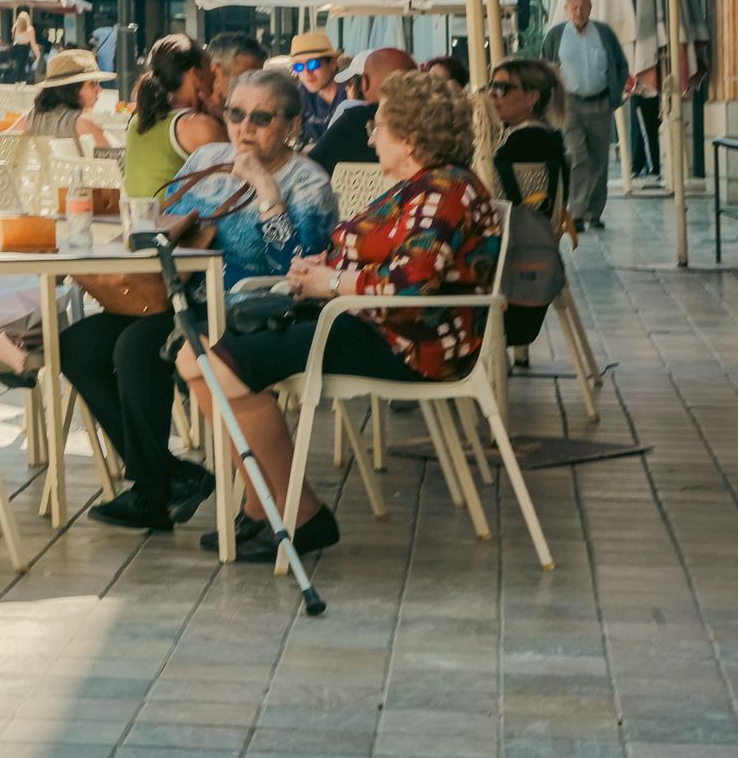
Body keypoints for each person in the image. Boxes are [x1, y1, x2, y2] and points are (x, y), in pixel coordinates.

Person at [175, 72, 502, 560]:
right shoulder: (424, 186)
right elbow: (387, 262)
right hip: (374, 324)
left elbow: (409, 286)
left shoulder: (442, 193)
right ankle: (265, 507)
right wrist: (326, 267)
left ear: (410, 139)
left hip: (408, 340)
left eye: (380, 127)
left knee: (212, 364)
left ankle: (299, 514)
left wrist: (329, 282)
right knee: (193, 358)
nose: (371, 136)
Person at [62, 69, 338, 532]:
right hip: (180, 295)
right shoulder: (209, 157)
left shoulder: (307, 183)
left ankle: (153, 490)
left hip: (249, 308)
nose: (244, 128)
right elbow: (167, 218)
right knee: (77, 346)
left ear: (291, 125)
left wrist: (267, 192)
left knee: (135, 348)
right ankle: (171, 475)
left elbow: (299, 268)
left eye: (261, 117)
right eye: (235, 114)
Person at [488, 59, 570, 356]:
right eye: (491, 87)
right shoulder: (545, 136)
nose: (492, 95)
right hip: (533, 247)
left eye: (502, 88)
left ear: (532, 97)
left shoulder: (525, 141)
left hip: (512, 255)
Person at [541, 0, 628, 232]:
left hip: (600, 102)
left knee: (600, 159)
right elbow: (545, 69)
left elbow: (621, 65)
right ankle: (576, 212)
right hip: (570, 104)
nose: (579, 11)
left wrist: (615, 93)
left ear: (591, 8)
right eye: (574, 7)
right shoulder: (556, 35)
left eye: (584, 6)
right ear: (567, 9)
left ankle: (594, 213)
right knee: (579, 156)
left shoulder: (604, 34)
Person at [124, 34, 229, 197]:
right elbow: (241, 180)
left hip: (139, 219)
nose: (215, 78)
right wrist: (223, 116)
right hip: (179, 221)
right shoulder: (199, 126)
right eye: (211, 71)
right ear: (196, 75)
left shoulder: (138, 119)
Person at [307, 47, 416, 175]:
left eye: (349, 83)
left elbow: (311, 168)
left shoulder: (354, 118)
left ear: (365, 82)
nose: (372, 140)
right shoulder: (427, 118)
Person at [5, 48, 114, 147]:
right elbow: (119, 159)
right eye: (92, 83)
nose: (99, 89)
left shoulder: (31, 118)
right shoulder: (82, 122)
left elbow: (2, 144)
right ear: (72, 88)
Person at [289, 30, 347, 145]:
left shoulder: (350, 91)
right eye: (298, 67)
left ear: (332, 63)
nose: (306, 72)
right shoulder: (299, 95)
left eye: (312, 64)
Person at [204, 32, 267, 117]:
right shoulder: (195, 122)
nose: (256, 87)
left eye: (259, 79)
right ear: (216, 74)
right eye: (245, 78)